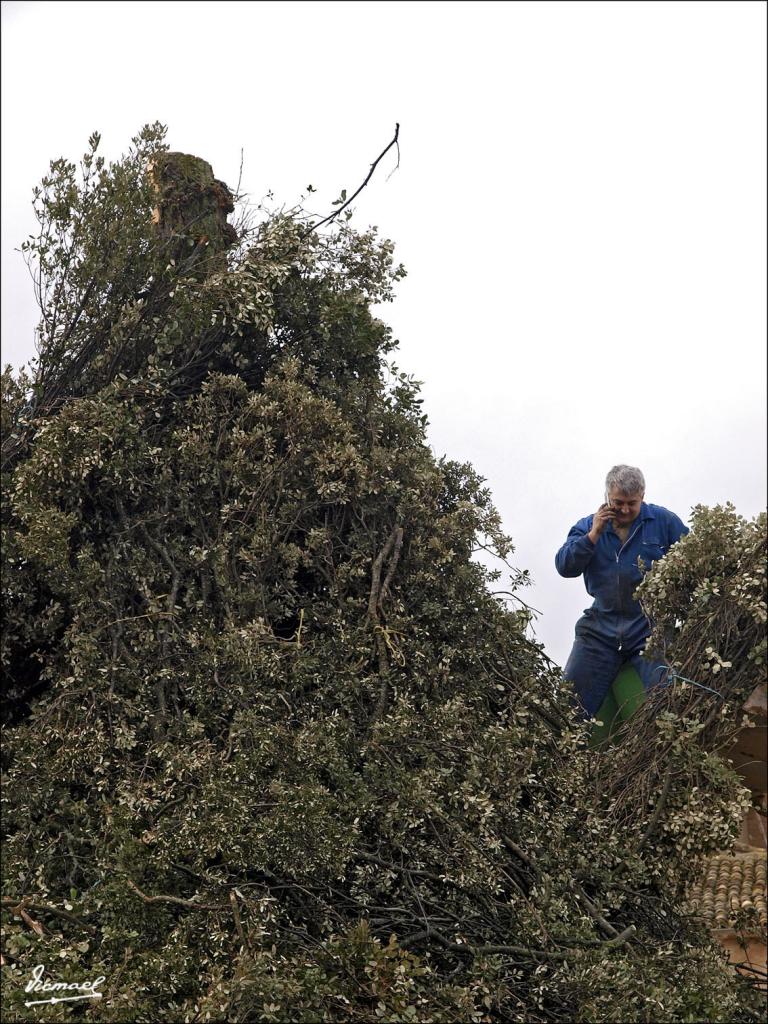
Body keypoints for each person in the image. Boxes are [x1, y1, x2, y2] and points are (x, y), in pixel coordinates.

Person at [555, 465, 689, 720]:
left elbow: (695, 555)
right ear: (607, 497)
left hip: (649, 626)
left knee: (672, 695)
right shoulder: (586, 526)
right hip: (600, 628)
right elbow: (564, 566)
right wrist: (593, 535)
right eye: (618, 503)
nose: (625, 510)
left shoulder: (663, 521)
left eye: (632, 503)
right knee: (566, 706)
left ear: (643, 496)